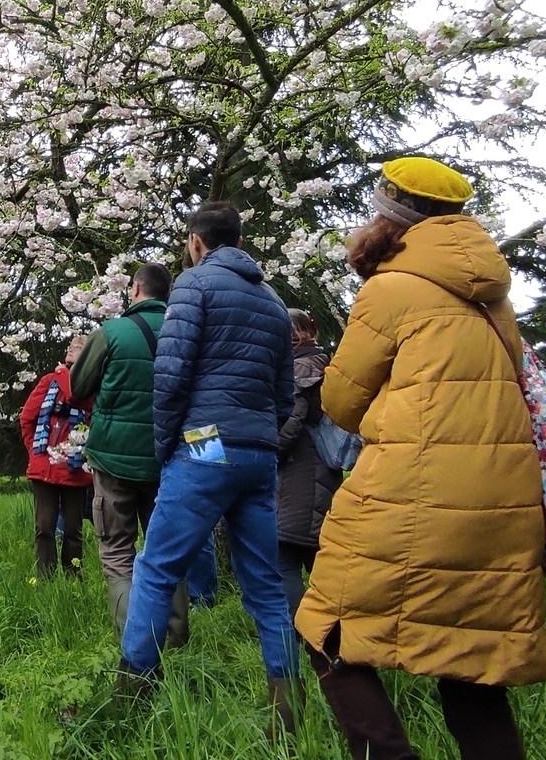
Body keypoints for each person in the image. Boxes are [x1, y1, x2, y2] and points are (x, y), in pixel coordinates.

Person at [294, 157, 546, 760]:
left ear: (391, 218)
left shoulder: (390, 289)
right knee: (470, 657)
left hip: (412, 493)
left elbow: (340, 401)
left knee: (327, 629)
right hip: (503, 501)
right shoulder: (495, 300)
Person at [117, 201, 299, 742]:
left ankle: (129, 700)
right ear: (239, 240)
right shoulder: (274, 302)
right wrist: (259, 435)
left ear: (196, 242)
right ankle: (287, 715)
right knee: (266, 585)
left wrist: (167, 446)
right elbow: (284, 394)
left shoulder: (193, 285)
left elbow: (171, 378)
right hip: (258, 451)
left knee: (157, 568)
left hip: (205, 441)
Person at [69, 262, 190, 644]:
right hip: (168, 459)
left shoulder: (111, 332)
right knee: (167, 548)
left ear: (135, 289)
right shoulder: (186, 330)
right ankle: (176, 634)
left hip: (114, 458)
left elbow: (77, 388)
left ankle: (134, 639)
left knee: (117, 548)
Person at [275, 308, 343, 622]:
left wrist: (266, 451)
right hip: (321, 474)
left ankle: (302, 632)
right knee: (318, 561)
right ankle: (331, 630)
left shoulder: (299, 370)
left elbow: (290, 425)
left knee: (284, 559)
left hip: (299, 477)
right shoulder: (324, 364)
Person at [19, 335, 94, 577]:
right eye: (71, 346)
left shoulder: (93, 385)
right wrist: (36, 452)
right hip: (45, 467)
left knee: (73, 529)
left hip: (75, 468)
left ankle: (73, 577)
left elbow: (74, 394)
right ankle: (45, 579)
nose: (71, 350)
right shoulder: (47, 382)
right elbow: (27, 418)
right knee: (44, 528)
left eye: (78, 347)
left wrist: (62, 373)